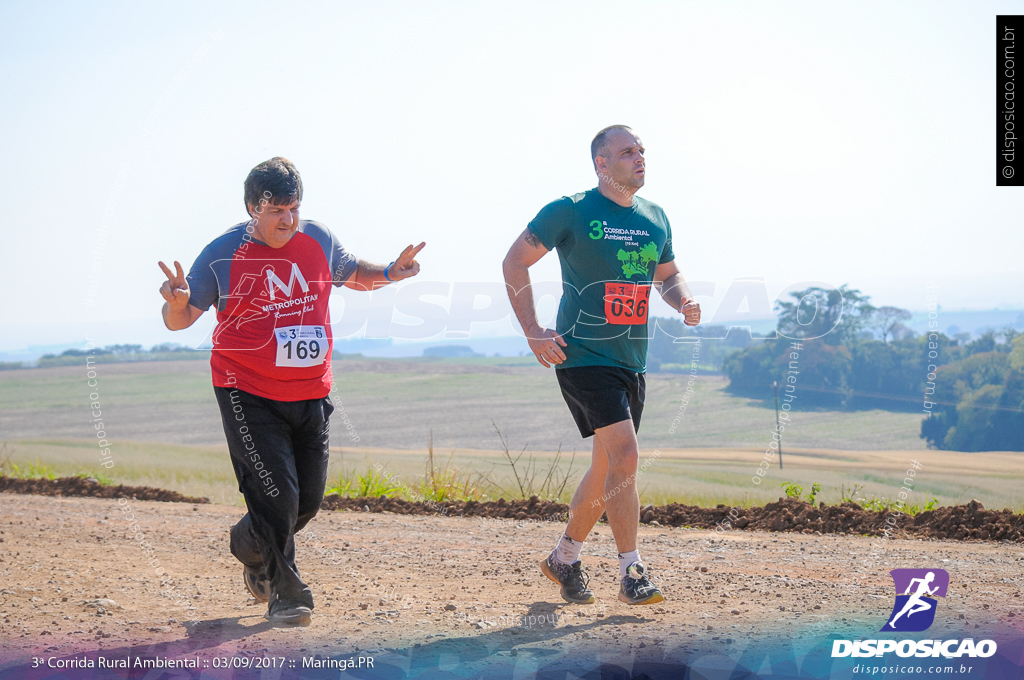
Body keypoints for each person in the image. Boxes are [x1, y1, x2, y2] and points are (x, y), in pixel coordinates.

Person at [158, 157, 424, 626]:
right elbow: (181, 319)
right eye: (276, 210)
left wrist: (390, 271)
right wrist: (177, 303)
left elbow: (353, 273)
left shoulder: (316, 238)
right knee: (275, 493)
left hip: (310, 390)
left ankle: (248, 542)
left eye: (293, 208)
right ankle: (286, 592)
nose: (288, 220)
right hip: (246, 391)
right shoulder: (222, 253)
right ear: (251, 208)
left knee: (306, 501)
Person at [502, 126, 700, 606]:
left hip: (631, 360)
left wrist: (683, 300)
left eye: (642, 151)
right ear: (601, 164)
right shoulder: (570, 210)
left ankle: (564, 557)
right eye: (628, 151)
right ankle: (632, 571)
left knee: (608, 467)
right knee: (627, 457)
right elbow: (514, 262)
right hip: (582, 354)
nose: (640, 158)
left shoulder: (656, 218)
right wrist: (533, 330)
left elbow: (667, 276)